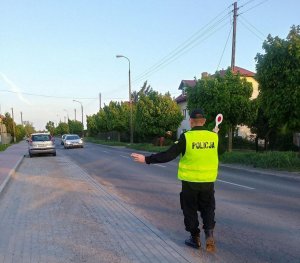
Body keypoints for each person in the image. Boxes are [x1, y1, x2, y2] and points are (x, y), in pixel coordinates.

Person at [131, 109, 219, 252]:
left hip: (190, 182)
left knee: (189, 209)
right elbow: (220, 151)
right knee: (208, 208)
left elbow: (168, 155)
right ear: (204, 121)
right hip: (208, 181)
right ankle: (209, 235)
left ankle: (195, 238)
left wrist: (146, 159)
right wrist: (215, 136)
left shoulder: (187, 137)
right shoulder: (214, 137)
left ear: (191, 121)